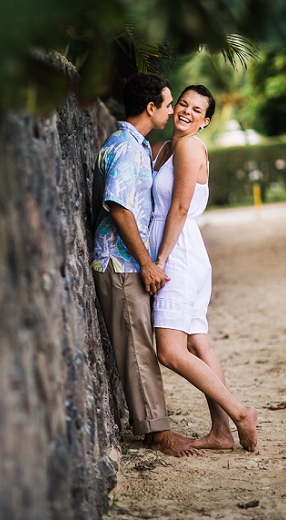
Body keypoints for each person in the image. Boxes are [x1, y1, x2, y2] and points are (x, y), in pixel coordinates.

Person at [91, 72, 199, 457]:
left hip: (125, 263)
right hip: (119, 264)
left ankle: (156, 425)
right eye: (169, 104)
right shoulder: (125, 147)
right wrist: (146, 263)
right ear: (151, 107)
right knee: (138, 349)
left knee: (140, 345)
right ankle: (156, 432)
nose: (173, 111)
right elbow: (119, 208)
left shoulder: (136, 145)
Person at [148, 85, 258, 452]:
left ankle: (240, 413)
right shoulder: (163, 148)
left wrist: (159, 261)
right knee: (198, 342)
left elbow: (178, 208)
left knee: (170, 351)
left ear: (205, 121)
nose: (186, 112)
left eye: (197, 110)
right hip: (186, 253)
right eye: (183, 103)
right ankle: (222, 432)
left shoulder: (190, 146)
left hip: (177, 255)